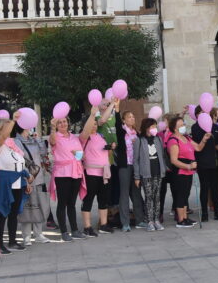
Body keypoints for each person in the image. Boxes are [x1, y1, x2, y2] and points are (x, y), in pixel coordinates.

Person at [48, 114, 96, 241]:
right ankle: (64, 232)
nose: (63, 124)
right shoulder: (55, 136)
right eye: (60, 122)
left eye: (64, 121)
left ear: (68, 123)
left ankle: (74, 230)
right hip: (62, 173)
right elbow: (52, 142)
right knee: (62, 203)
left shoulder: (74, 138)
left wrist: (78, 154)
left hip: (76, 172)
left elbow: (81, 156)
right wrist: (52, 127)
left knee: (72, 203)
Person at [0, 115, 30, 251]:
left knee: (13, 213)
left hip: (17, 181)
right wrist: (13, 120)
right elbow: (5, 134)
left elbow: (19, 164)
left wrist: (26, 180)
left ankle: (12, 241)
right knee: (2, 212)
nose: (10, 129)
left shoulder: (11, 144)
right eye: (7, 126)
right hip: (4, 181)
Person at [81, 103, 115, 236]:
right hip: (91, 173)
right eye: (92, 124)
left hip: (104, 173)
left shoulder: (101, 136)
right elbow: (85, 131)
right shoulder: (84, 138)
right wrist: (93, 114)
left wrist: (110, 148)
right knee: (88, 199)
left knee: (103, 199)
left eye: (95, 124)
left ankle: (104, 224)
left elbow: (107, 155)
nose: (94, 126)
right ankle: (87, 226)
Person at [17, 125, 52, 244]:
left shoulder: (34, 140)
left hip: (39, 177)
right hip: (26, 177)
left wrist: (39, 141)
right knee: (26, 207)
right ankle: (26, 236)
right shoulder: (16, 141)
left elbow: (43, 153)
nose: (31, 128)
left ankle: (39, 233)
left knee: (40, 205)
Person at [113, 110, 146, 230]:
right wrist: (117, 110)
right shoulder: (122, 131)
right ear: (123, 120)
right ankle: (125, 223)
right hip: (125, 165)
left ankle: (139, 220)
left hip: (135, 166)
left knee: (136, 192)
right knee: (124, 193)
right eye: (129, 117)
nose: (132, 118)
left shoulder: (136, 132)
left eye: (133, 116)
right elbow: (117, 124)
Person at [132, 117, 167, 230]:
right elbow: (136, 159)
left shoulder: (158, 139)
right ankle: (149, 221)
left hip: (158, 172)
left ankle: (156, 219)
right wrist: (137, 176)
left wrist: (163, 169)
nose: (154, 129)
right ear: (146, 128)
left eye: (155, 126)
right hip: (146, 174)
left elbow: (161, 155)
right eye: (152, 126)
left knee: (157, 197)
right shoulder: (139, 140)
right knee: (149, 197)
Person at [165, 116, 199, 228]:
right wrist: (188, 166)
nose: (183, 127)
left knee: (185, 195)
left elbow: (198, 148)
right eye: (180, 125)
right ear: (175, 129)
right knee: (180, 195)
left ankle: (185, 217)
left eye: (183, 124)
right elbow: (174, 160)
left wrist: (204, 139)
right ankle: (180, 220)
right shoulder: (173, 140)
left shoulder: (186, 138)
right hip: (180, 172)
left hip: (188, 172)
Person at [191, 107, 218, 222]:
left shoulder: (214, 127)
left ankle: (217, 212)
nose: (204, 115)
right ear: (196, 115)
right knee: (204, 187)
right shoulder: (195, 127)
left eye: (205, 113)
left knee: (215, 187)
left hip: (213, 161)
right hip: (202, 161)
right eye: (201, 113)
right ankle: (204, 213)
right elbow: (197, 143)